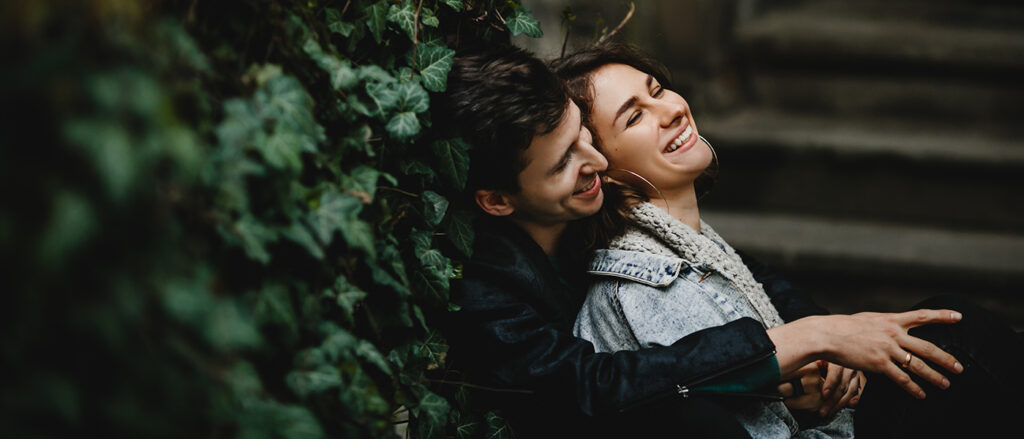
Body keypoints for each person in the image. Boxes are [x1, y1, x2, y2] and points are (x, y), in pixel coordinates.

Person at [552, 41, 1024, 438]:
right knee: (958, 345)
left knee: (949, 342)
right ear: (602, 174)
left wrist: (820, 365)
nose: (673, 109)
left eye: (657, 91)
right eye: (634, 117)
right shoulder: (646, 289)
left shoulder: (690, 248)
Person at [438, 43, 820, 438]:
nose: (600, 162)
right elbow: (595, 384)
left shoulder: (595, 215)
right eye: (565, 161)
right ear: (499, 200)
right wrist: (783, 351)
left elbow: (739, 268)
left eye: (583, 134)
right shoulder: (483, 287)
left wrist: (816, 336)